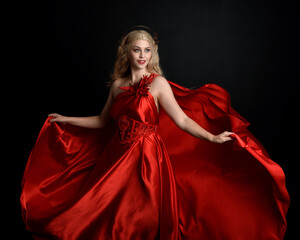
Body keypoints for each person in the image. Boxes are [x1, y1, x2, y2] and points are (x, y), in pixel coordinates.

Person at [21, 26, 289, 240]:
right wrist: (66, 119)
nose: (141, 55)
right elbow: (103, 122)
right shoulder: (117, 85)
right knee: (106, 211)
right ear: (127, 52)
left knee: (144, 213)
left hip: (148, 157)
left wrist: (213, 137)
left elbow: (182, 120)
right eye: (136, 50)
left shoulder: (158, 84)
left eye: (147, 50)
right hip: (115, 156)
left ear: (153, 53)